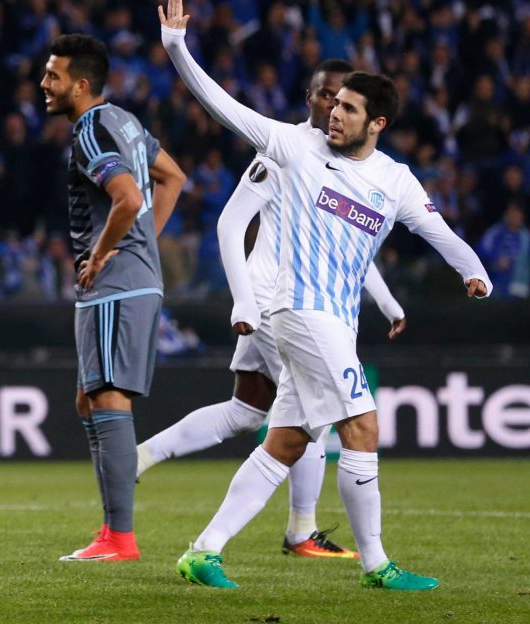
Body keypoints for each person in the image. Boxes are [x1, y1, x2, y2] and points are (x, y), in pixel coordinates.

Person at [159, 0, 491, 590]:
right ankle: (376, 564)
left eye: (349, 109)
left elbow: (438, 231)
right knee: (362, 426)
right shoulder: (294, 145)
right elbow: (223, 106)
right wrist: (178, 47)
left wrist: (475, 270)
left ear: (377, 124)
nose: (333, 115)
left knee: (287, 441)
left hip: (333, 318)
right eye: (334, 104)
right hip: (299, 310)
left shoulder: (393, 180)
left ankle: (203, 551)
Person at [137, 59, 408, 560]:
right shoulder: (285, 150)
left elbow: (351, 247)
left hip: (288, 301)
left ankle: (139, 458)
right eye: (327, 96)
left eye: (344, 98)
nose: (333, 106)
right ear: (309, 97)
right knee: (315, 418)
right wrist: (245, 297)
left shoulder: (346, 165)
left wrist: (388, 302)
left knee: (248, 411)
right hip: (280, 301)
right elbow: (229, 222)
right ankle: (301, 531)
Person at [40, 34, 186, 561]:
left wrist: (104, 253)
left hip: (115, 285)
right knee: (89, 398)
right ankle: (111, 531)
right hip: (133, 277)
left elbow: (127, 196)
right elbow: (172, 178)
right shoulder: (124, 120)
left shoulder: (90, 129)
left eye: (53, 76)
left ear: (80, 84)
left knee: (106, 397)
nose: (43, 84)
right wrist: (143, 241)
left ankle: (119, 536)